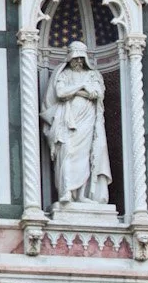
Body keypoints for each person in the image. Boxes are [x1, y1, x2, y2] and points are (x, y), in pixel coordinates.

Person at [41, 40, 112, 207]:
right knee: (67, 153)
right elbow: (61, 93)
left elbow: (96, 94)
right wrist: (81, 87)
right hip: (67, 120)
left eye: (81, 58)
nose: (79, 61)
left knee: (86, 156)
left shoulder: (92, 75)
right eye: (76, 58)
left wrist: (76, 92)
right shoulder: (63, 74)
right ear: (69, 58)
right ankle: (66, 192)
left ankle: (80, 195)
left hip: (87, 120)